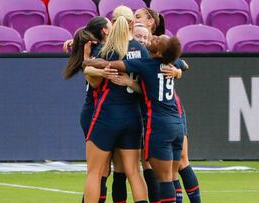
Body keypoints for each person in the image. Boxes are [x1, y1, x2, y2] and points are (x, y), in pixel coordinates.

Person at [83, 34, 184, 203]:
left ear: (159, 52)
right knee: (161, 175)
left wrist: (86, 59)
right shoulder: (172, 63)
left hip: (159, 126)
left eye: (157, 40)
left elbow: (108, 64)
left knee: (164, 179)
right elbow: (184, 63)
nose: (152, 38)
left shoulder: (146, 64)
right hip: (176, 124)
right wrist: (178, 71)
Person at [134, 8, 201, 203]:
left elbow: (182, 63)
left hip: (168, 112)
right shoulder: (133, 43)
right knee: (152, 165)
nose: (133, 18)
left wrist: (177, 70)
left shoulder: (157, 45)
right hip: (145, 110)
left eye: (138, 16)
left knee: (179, 162)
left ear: (150, 23)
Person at [83, 6, 149, 203]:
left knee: (95, 173)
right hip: (133, 117)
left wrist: (89, 61)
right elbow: (147, 87)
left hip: (108, 115)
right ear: (131, 23)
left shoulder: (107, 50)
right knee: (134, 173)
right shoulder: (142, 50)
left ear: (113, 22)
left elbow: (88, 71)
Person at [63, 16, 113, 203]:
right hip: (95, 112)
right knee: (99, 170)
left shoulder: (95, 50)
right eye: (110, 24)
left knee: (103, 170)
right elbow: (91, 75)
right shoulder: (99, 51)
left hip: (96, 111)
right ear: (104, 31)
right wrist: (101, 70)